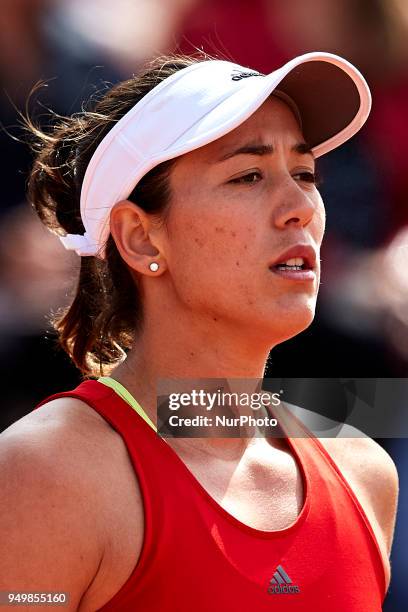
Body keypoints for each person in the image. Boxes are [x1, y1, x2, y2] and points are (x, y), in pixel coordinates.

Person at [0, 52, 399, 611]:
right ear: (140, 239)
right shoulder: (43, 475)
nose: (300, 209)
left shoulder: (366, 473)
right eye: (248, 175)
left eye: (306, 174)